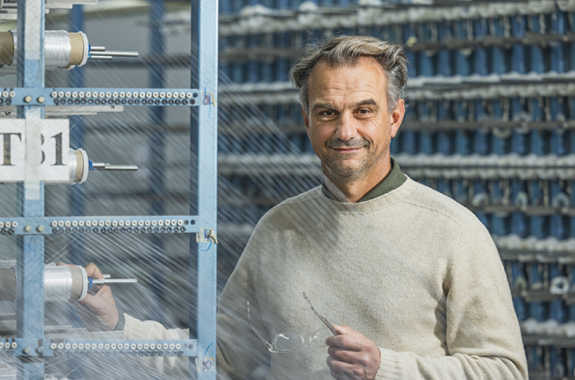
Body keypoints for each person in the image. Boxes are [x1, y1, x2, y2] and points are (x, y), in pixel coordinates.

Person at [72, 35, 528, 380]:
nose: (345, 130)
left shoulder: (452, 231)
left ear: (394, 117)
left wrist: (386, 368)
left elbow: (504, 370)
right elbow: (221, 358)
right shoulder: (280, 229)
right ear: (308, 120)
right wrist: (116, 324)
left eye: (364, 111)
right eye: (328, 112)